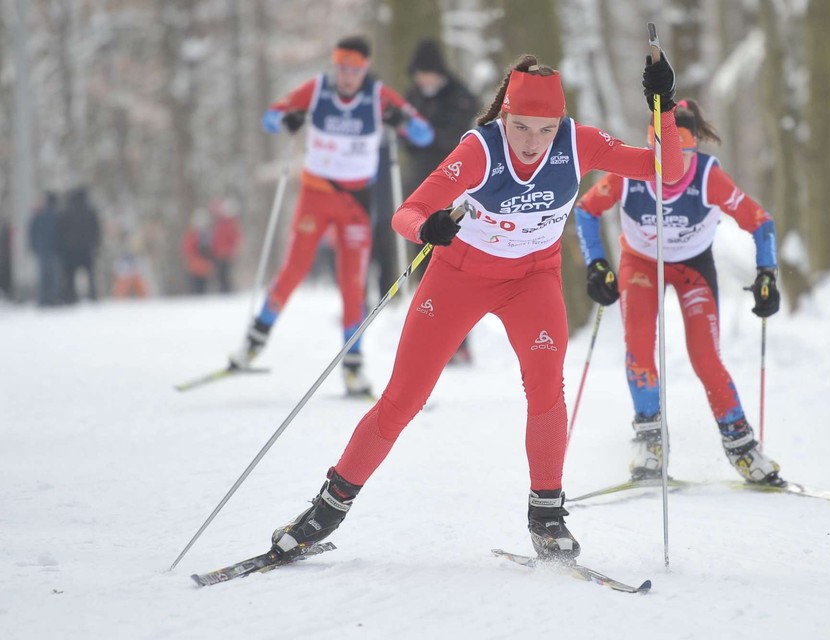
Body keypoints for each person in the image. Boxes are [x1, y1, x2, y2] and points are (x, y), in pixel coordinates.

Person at [266, 52, 683, 564]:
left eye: (545, 129)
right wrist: (428, 228)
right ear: (504, 117)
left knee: (547, 387)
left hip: (533, 279)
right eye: (521, 127)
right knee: (403, 399)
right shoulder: (480, 150)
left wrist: (662, 108)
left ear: (561, 124)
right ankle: (324, 512)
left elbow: (665, 169)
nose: (532, 141)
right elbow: (408, 212)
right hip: (459, 277)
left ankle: (547, 515)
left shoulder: (580, 143)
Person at [573, 98, 782, 485]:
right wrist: (596, 264)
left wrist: (767, 272)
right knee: (638, 347)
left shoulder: (708, 177)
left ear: (693, 148)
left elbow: (760, 222)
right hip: (640, 266)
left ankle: (743, 448)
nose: (670, 168)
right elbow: (585, 210)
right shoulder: (629, 172)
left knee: (705, 357)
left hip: (692, 268)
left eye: (681, 155)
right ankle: (650, 443)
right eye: (660, 155)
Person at [231, 35, 435, 398]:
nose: (346, 77)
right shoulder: (318, 90)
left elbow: (423, 133)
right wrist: (286, 120)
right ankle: (253, 341)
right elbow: (269, 117)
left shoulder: (377, 96)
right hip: (315, 196)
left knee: (352, 284)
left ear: (365, 69)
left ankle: (353, 366)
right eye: (341, 68)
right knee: (294, 269)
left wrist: (400, 119)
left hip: (356, 203)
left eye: (354, 70)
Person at [401, 38, 480, 365]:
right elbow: (405, 137)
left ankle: (460, 340)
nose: (425, 82)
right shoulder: (412, 97)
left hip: (452, 181)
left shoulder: (459, 96)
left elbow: (458, 137)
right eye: (420, 75)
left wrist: (427, 134)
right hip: (421, 181)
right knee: (423, 258)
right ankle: (431, 335)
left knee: (452, 262)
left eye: (429, 75)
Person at [56, 186, 101, 304]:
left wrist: (63, 248)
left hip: (71, 250)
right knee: (90, 274)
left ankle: (70, 297)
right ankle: (93, 295)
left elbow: (60, 232)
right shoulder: (90, 211)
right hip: (87, 249)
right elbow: (96, 230)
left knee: (70, 276)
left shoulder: (66, 212)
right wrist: (95, 245)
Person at [29, 192, 61, 306]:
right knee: (53, 277)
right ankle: (52, 299)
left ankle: (42, 300)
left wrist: (33, 247)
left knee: (43, 277)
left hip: (42, 250)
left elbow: (32, 232)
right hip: (54, 250)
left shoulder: (39, 214)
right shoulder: (57, 215)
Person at [209, 198, 242, 293]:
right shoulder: (220, 223)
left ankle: (227, 291)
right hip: (219, 254)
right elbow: (216, 239)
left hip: (227, 255)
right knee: (220, 275)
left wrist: (230, 251)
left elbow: (235, 240)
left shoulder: (231, 224)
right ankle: (223, 291)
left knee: (226, 275)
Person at [181, 209, 214, 295]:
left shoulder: (206, 234)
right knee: (196, 286)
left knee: (203, 286)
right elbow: (188, 248)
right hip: (195, 265)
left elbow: (211, 248)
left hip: (203, 266)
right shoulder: (192, 234)